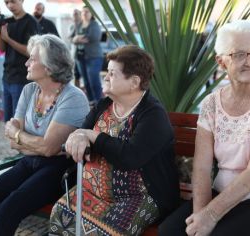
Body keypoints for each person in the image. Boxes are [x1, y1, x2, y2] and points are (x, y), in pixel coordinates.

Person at [158, 20, 250, 236]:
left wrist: (210, 216)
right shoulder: (211, 104)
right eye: (240, 54)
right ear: (221, 62)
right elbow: (203, 168)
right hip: (223, 194)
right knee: (170, 231)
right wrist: (199, 215)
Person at [49, 45, 180, 235]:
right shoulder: (103, 105)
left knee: (108, 231)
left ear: (134, 82)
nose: (105, 77)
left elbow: (130, 156)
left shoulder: (152, 114)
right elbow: (81, 132)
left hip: (140, 196)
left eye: (112, 73)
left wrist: (93, 136)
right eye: (107, 72)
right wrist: (77, 136)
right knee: (60, 214)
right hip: (91, 190)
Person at [0, 34, 90, 236]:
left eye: (32, 59)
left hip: (59, 171)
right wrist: (24, 138)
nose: (26, 63)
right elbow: (16, 140)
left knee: (8, 208)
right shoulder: (30, 90)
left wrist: (20, 135)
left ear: (49, 67)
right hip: (30, 161)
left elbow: (48, 148)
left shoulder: (73, 97)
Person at [0, 0, 39, 122]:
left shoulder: (30, 22)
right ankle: (11, 141)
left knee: (18, 121)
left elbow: (30, 52)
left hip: (22, 77)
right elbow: (1, 49)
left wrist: (8, 39)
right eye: (7, 2)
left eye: (13, 1)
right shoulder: (7, 22)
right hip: (7, 76)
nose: (10, 5)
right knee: (8, 121)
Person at [70, 6, 103, 103]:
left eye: (87, 12)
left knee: (94, 81)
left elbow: (94, 37)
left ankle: (99, 102)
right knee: (86, 82)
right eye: (83, 11)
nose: (84, 13)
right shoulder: (79, 24)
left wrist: (78, 38)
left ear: (92, 14)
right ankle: (91, 101)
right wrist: (77, 39)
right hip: (80, 57)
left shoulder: (94, 24)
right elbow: (72, 38)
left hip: (93, 57)